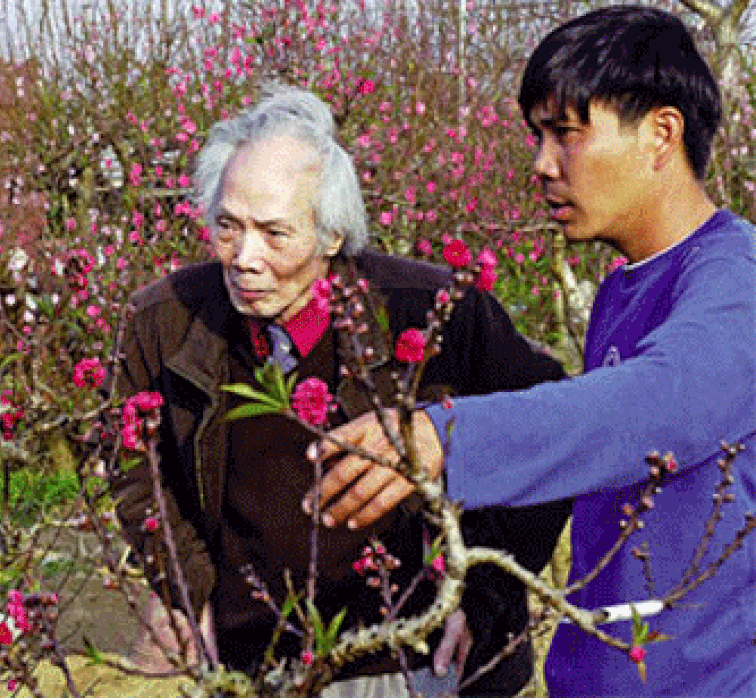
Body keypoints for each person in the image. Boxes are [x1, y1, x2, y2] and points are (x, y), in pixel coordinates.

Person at [310, 7, 755, 697]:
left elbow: (660, 404)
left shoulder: (736, 281)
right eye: (537, 136)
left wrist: (446, 437)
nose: (541, 164)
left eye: (566, 134)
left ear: (661, 134)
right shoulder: (621, 289)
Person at [112, 84, 571, 696]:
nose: (244, 257)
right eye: (227, 226)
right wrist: (185, 587)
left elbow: (549, 432)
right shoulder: (163, 322)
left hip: (420, 657)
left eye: (274, 233)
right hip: (259, 659)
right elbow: (136, 467)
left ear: (331, 238)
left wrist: (485, 598)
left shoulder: (432, 312)